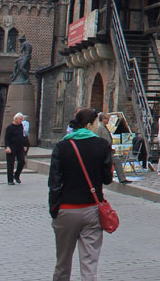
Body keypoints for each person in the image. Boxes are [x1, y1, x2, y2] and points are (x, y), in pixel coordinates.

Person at [48, 107, 113, 281]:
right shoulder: (102, 145)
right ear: (90, 124)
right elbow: (107, 179)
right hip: (92, 209)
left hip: (66, 209)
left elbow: (54, 183)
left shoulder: (62, 147)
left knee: (62, 262)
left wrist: (54, 208)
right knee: (89, 264)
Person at [4, 113, 30, 184]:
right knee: (10, 164)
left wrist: (25, 145)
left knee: (22, 161)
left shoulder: (21, 126)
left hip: (20, 147)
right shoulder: (10, 127)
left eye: (22, 119)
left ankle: (16, 175)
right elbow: (6, 138)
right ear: (15, 119)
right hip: (11, 148)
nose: (21, 121)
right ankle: (10, 180)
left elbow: (23, 135)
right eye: (20, 119)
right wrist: (7, 147)